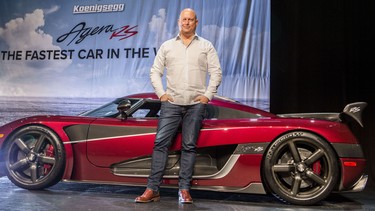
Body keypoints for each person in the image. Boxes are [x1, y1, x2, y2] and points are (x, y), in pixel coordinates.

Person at [135, 8, 222, 204]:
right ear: (179, 22)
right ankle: (152, 189)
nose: (187, 22)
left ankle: (184, 190)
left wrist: (207, 95)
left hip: (195, 105)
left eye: (191, 20)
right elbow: (154, 72)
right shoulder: (167, 46)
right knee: (160, 144)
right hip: (171, 104)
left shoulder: (206, 46)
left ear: (196, 23)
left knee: (189, 147)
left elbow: (216, 72)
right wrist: (162, 95)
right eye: (184, 19)